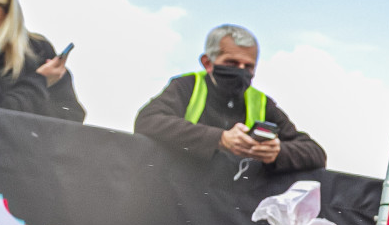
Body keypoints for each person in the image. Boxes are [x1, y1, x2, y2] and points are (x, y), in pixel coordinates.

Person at [134, 24, 326, 175]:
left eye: (248, 66)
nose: (240, 71)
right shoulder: (187, 86)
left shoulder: (261, 102)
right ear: (207, 63)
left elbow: (315, 153)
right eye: (231, 63)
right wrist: (220, 139)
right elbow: (147, 120)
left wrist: (278, 153)